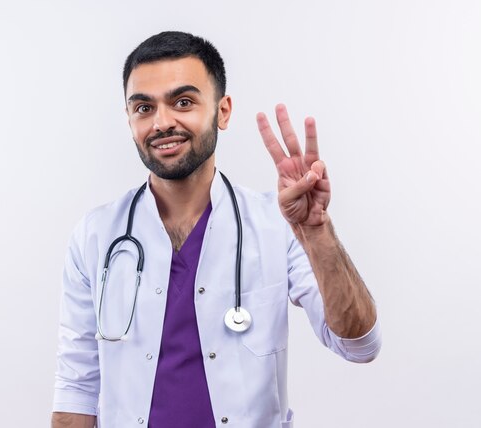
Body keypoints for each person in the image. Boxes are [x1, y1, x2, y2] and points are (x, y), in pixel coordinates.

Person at [51, 31, 381, 428]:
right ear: (129, 119)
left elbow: (360, 345)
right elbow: (77, 386)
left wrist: (316, 231)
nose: (162, 122)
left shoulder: (276, 226)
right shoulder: (96, 236)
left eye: (183, 102)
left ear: (222, 111)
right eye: (143, 107)